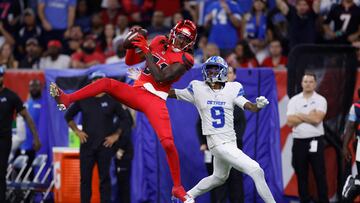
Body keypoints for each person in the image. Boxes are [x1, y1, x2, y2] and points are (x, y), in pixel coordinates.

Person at [50, 20, 198, 202]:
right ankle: (67, 99)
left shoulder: (187, 59)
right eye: (180, 36)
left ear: (190, 42)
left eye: (185, 39)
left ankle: (177, 187)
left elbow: (161, 78)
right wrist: (132, 42)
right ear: (173, 32)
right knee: (106, 83)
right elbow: (130, 61)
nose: (181, 42)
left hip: (155, 99)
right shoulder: (159, 40)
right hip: (137, 92)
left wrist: (145, 50)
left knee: (168, 143)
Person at [168, 56, 275, 203]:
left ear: (223, 71)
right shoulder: (198, 88)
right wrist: (149, 86)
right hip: (217, 142)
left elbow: (249, 106)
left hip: (230, 141)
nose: (211, 72)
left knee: (219, 177)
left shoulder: (233, 88)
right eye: (209, 69)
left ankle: (185, 197)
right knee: (256, 170)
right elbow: (172, 93)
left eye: (215, 69)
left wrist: (258, 106)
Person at [64, 71, 131, 203]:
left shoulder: (112, 99)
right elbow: (68, 116)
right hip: (87, 146)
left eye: (100, 79)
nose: (97, 81)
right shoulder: (83, 99)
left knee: (105, 179)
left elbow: (125, 119)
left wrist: (116, 136)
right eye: (95, 79)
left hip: (105, 147)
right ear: (91, 82)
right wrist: (77, 131)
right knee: (85, 180)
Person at [195, 66, 246, 203]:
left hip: (232, 147)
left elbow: (241, 123)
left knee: (235, 180)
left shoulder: (237, 96)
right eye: (225, 72)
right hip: (215, 147)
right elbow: (200, 122)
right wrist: (203, 142)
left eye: (230, 72)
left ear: (234, 76)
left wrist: (231, 143)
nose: (227, 75)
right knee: (217, 182)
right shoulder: (209, 95)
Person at [0, 67, 41, 202]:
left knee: (1, 172)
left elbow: (27, 117)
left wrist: (35, 138)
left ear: (3, 77)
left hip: (4, 140)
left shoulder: (11, 96)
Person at [286, 72, 328, 203]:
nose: (308, 84)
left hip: (316, 140)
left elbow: (317, 119)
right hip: (299, 142)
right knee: (301, 174)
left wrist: (299, 115)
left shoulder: (321, 100)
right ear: (301, 83)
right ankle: (304, 200)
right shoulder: (294, 100)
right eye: (305, 81)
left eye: (311, 81)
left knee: (319, 174)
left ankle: (323, 200)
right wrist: (308, 115)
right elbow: (290, 121)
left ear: (315, 84)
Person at [341, 88, 360, 201]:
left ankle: (355, 182)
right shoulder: (356, 107)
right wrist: (345, 146)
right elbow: (351, 126)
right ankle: (353, 184)